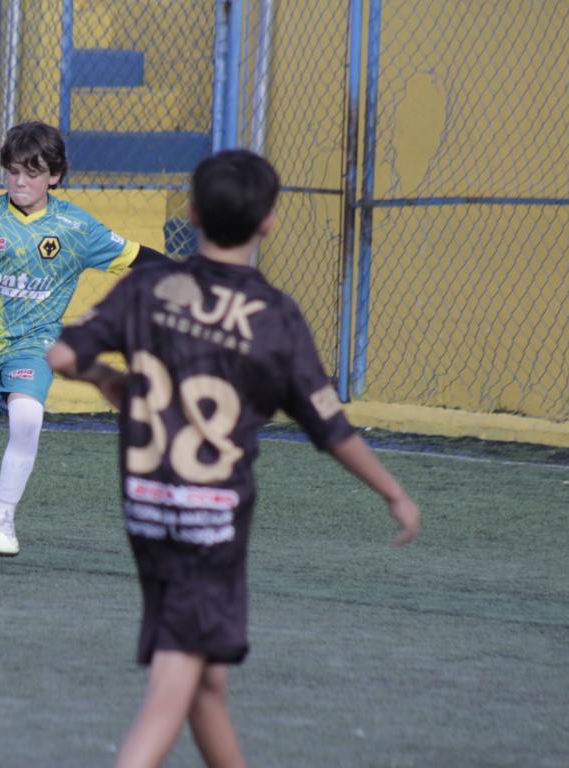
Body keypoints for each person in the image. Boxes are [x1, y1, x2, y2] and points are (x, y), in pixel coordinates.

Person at [46, 149, 421, 768]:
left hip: (147, 510)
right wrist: (394, 492)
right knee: (173, 685)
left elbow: (62, 356)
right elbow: (331, 429)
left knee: (205, 679)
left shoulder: (151, 285)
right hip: (211, 525)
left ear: (191, 213)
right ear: (269, 221)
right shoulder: (274, 317)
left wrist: (111, 381)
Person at [0, 120, 169, 563]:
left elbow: (135, 256)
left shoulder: (75, 227)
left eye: (33, 173)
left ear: (55, 176)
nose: (20, 181)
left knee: (27, 417)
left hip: (34, 342)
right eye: (13, 171)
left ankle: (3, 517)